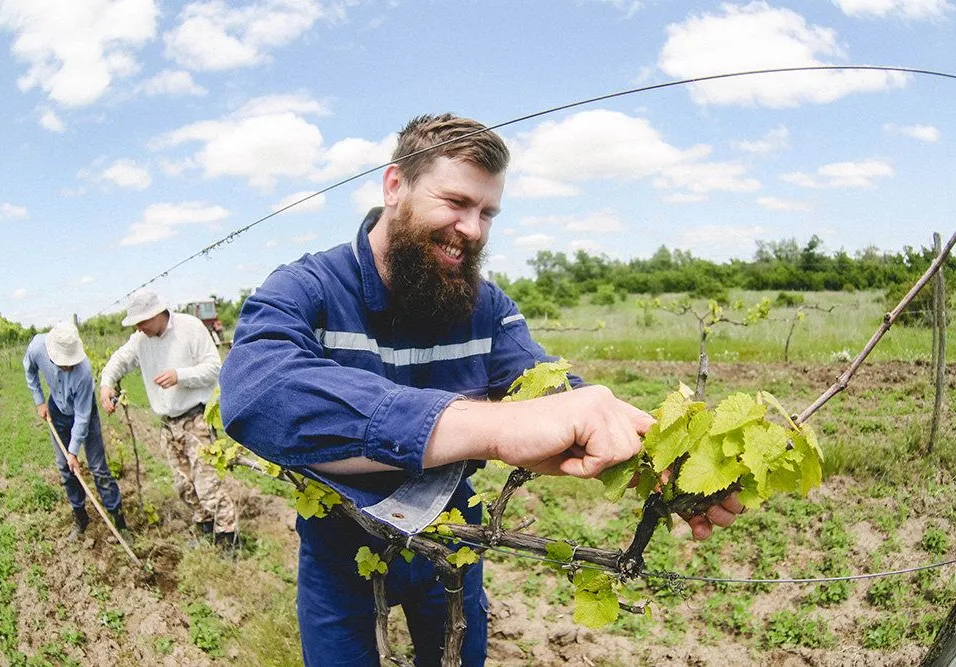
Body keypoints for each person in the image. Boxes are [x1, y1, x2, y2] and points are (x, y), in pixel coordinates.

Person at [219, 113, 744, 666]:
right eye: (456, 202)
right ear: (395, 186)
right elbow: (257, 391)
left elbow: (547, 387)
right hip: (338, 543)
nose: (472, 229)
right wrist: (492, 428)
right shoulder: (308, 288)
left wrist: (665, 458)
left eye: (487, 213)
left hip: (454, 532)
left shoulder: (485, 306)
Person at [99, 289, 238, 549]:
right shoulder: (140, 340)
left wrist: (179, 376)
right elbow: (119, 360)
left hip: (196, 419)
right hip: (168, 424)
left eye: (141, 321)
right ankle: (205, 528)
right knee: (184, 485)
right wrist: (107, 383)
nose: (138, 328)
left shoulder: (190, 328)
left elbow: (214, 368)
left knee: (207, 484)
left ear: (156, 314)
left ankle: (228, 538)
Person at [23, 322, 129, 542]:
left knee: (98, 467)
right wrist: (39, 401)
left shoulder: (83, 372)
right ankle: (80, 517)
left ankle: (119, 521)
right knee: (65, 467)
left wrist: (73, 452)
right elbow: (30, 370)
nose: (69, 367)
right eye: (64, 363)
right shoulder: (37, 347)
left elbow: (82, 416)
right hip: (57, 410)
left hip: (84, 413)